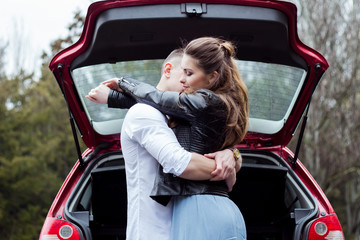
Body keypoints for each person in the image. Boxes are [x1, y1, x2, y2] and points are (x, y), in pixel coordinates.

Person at [86, 48, 242, 240]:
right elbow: (180, 163)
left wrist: (231, 154)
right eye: (184, 72)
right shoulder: (145, 113)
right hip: (154, 233)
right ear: (168, 70)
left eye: (190, 73)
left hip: (185, 226)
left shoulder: (179, 116)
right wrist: (228, 167)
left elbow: (211, 140)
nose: (187, 81)